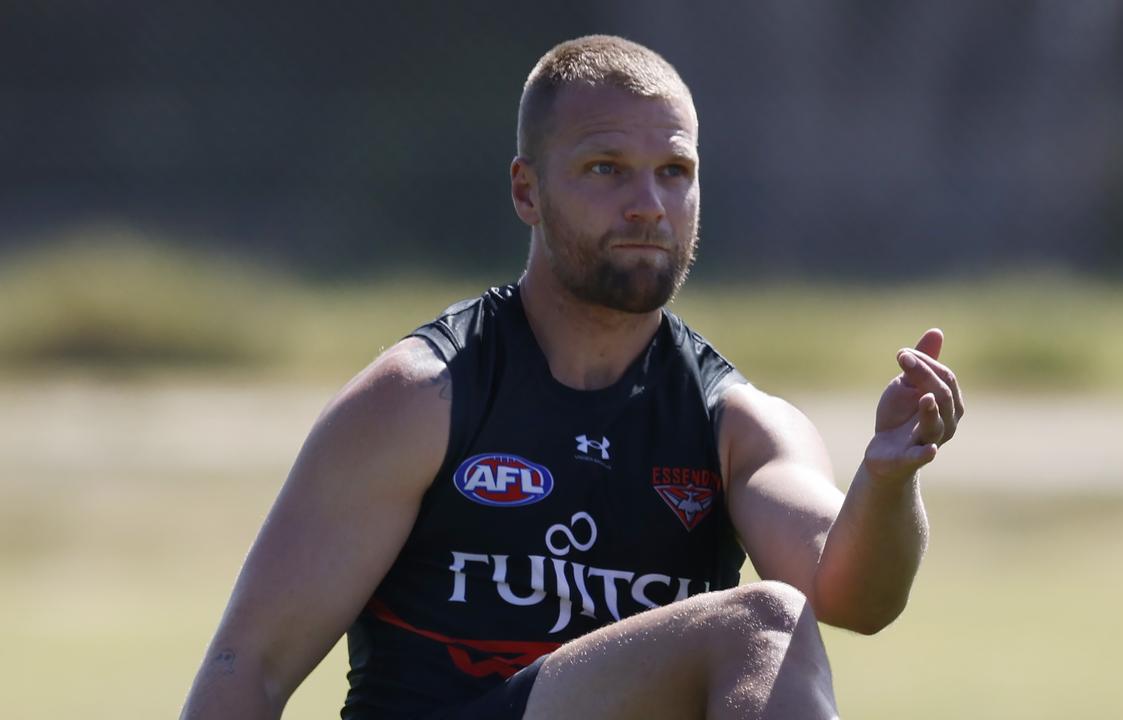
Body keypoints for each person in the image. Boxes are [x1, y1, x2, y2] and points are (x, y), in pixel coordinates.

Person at [180, 34, 964, 720]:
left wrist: (888, 481)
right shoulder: (422, 397)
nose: (648, 205)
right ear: (527, 190)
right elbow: (247, 666)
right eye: (606, 169)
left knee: (775, 625)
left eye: (674, 171)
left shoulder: (736, 423)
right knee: (759, 624)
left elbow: (854, 598)